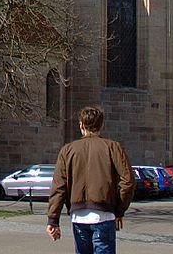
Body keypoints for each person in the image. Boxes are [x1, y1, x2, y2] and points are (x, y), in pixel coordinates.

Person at [47, 106, 135, 254]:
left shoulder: (68, 150)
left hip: (79, 216)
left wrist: (53, 220)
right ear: (101, 125)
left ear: (81, 124)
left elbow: (59, 187)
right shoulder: (112, 147)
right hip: (104, 215)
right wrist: (119, 209)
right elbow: (128, 181)